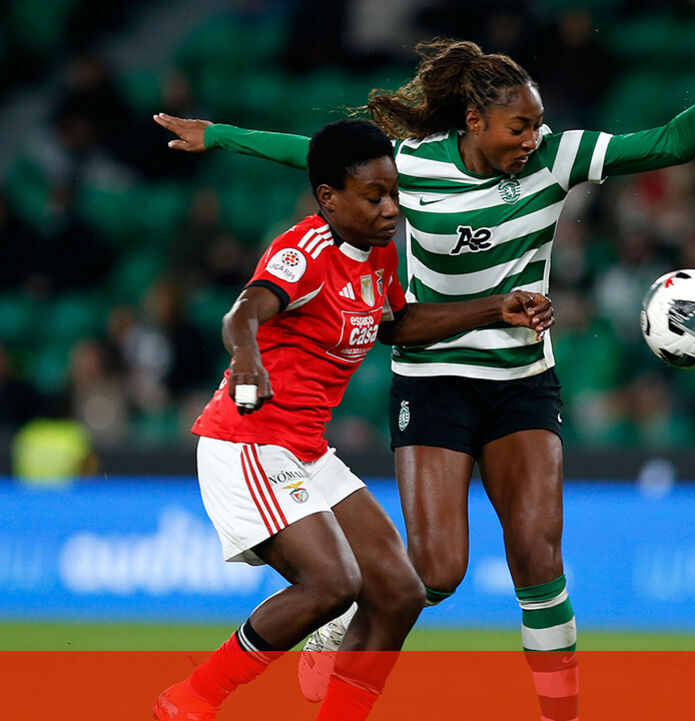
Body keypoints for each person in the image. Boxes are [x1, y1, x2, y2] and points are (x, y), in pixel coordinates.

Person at [154, 19, 695, 721]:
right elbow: (312, 156)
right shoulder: (409, 168)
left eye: (536, 124)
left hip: (521, 378)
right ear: (475, 121)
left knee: (538, 556)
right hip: (432, 377)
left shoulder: (556, 157)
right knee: (431, 575)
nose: (531, 138)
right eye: (517, 127)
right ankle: (329, 623)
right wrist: (219, 136)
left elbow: (671, 143)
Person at [152, 118, 553, 721]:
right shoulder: (304, 253)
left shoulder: (379, 253)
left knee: (399, 591)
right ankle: (191, 700)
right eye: (374, 197)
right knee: (332, 584)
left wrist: (496, 308)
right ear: (329, 197)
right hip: (249, 442)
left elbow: (398, 325)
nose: (391, 208)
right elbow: (243, 312)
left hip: (304, 449)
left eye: (394, 193)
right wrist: (247, 359)